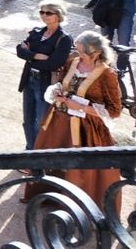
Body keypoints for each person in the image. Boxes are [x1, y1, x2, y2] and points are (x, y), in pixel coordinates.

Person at [23, 31, 121, 210]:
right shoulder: (73, 61)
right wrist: (57, 91)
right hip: (58, 121)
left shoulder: (107, 74)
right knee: (50, 159)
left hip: (86, 130)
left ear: (96, 53)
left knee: (79, 169)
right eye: (77, 50)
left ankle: (77, 207)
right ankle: (47, 195)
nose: (78, 55)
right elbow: (62, 82)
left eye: (82, 52)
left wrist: (81, 107)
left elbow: (114, 110)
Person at [16, 1, 72, 151]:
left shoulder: (64, 38)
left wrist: (30, 57)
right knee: (27, 120)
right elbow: (19, 49)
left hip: (45, 83)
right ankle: (29, 150)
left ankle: (37, 155)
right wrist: (36, 55)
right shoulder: (37, 32)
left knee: (40, 121)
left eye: (48, 13)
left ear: (58, 16)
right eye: (42, 12)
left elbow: (53, 63)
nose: (44, 16)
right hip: (29, 80)